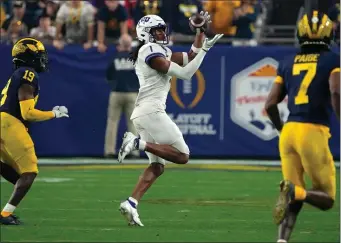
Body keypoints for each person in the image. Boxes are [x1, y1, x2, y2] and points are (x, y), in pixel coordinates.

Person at [117, 13, 222, 226]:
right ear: (146, 34)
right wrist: (206, 50)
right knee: (183, 155)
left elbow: (190, 56)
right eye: (157, 30)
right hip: (150, 112)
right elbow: (185, 74)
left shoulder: (158, 50)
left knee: (157, 167)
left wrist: (200, 33)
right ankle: (136, 142)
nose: (162, 33)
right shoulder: (149, 51)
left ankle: (132, 203)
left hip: (144, 113)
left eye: (163, 29)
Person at [264, 11, 339, 243]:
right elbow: (336, 90)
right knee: (326, 198)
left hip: (289, 132)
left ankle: (282, 240)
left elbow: (270, 104)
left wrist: (281, 130)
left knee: (294, 193)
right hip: (312, 130)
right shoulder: (333, 59)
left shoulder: (287, 61)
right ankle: (293, 191)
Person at [0, 37, 69, 225]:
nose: (42, 59)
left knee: (10, 170)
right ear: (28, 56)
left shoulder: (19, 74)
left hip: (4, 122)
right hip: (10, 123)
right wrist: (53, 114)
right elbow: (28, 112)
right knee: (29, 172)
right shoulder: (27, 74)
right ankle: (5, 215)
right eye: (38, 55)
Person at [104, 34, 139, 158]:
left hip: (116, 92)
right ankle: (134, 151)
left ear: (120, 45)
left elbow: (108, 75)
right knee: (132, 124)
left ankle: (109, 151)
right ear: (130, 45)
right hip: (132, 94)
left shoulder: (115, 59)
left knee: (112, 122)